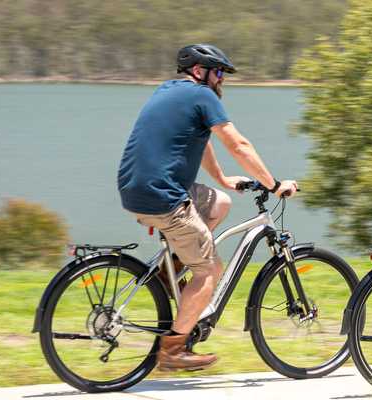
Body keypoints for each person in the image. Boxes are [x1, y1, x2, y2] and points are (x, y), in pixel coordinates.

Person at [116, 44, 298, 372]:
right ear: (199, 71)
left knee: (220, 202)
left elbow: (201, 142)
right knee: (209, 271)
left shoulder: (169, 90)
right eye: (218, 73)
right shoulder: (203, 96)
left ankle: (171, 268)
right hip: (164, 196)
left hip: (135, 189)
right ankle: (173, 349)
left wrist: (224, 179)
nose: (221, 81)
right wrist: (274, 184)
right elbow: (239, 144)